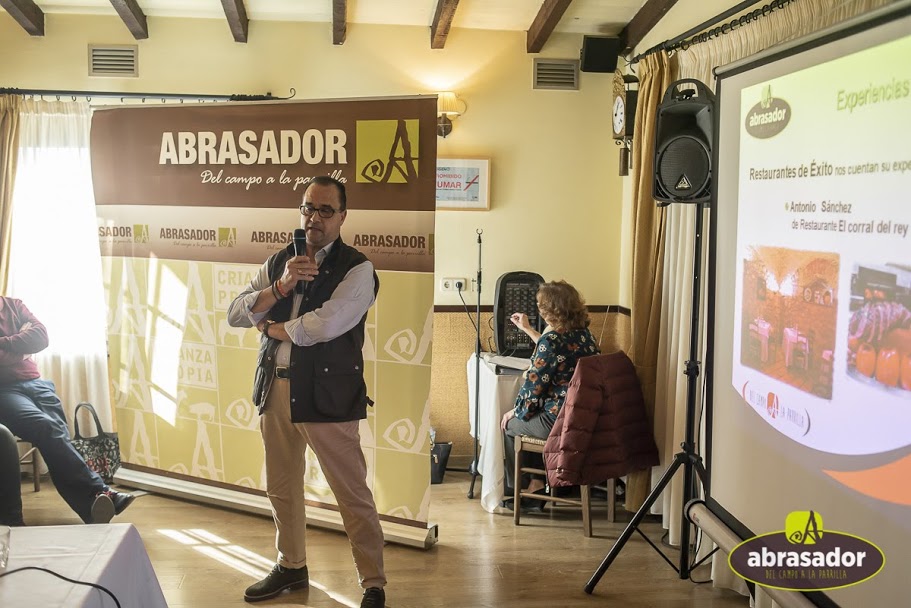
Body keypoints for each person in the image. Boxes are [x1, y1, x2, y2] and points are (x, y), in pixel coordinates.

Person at [227, 176, 386, 608]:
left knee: (350, 492)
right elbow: (235, 312)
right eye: (307, 208)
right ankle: (291, 566)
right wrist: (279, 287)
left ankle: (372, 582)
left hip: (328, 395)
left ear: (342, 217)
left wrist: (273, 326)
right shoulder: (280, 260)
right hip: (274, 391)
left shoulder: (358, 269)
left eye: (324, 211)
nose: (313, 218)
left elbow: (326, 324)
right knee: (281, 485)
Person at [0, 296, 134, 525]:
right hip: (4, 390)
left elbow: (41, 337)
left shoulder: (14, 305)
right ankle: (100, 493)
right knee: (46, 427)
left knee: (57, 433)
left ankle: (92, 507)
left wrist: (5, 343)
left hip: (37, 383)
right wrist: (21, 347)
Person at [500, 281, 600, 507]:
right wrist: (527, 329)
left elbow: (533, 389)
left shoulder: (551, 340)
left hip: (557, 421)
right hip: (583, 419)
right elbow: (556, 352)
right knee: (527, 416)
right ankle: (541, 482)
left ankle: (522, 490)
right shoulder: (585, 336)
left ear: (549, 310)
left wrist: (513, 412)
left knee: (511, 424)